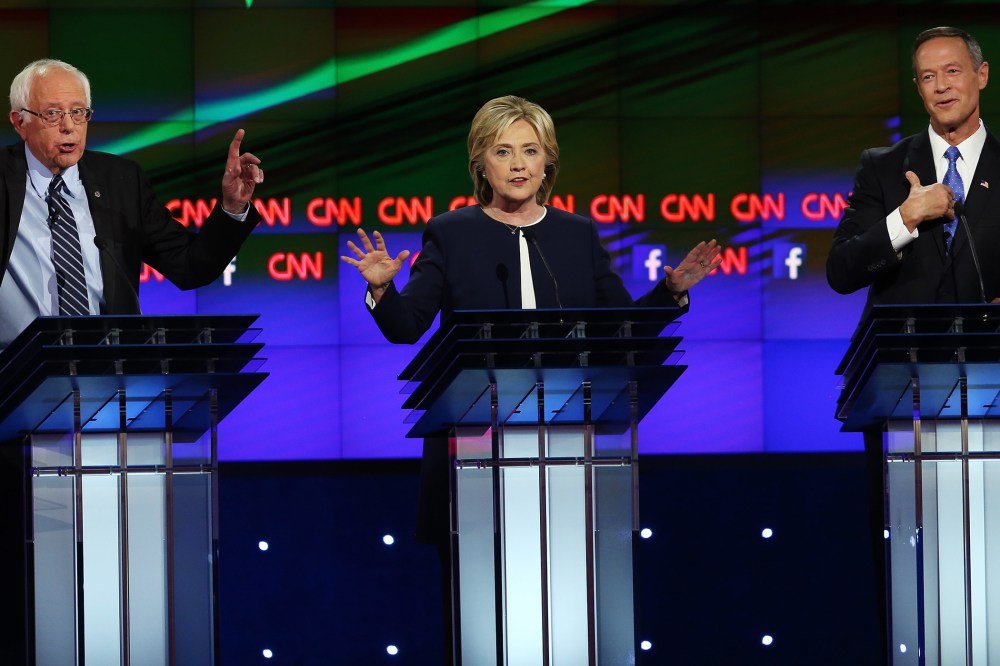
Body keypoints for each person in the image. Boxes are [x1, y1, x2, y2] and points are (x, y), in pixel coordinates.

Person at [341, 94, 722, 662]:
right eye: (502, 151)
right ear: (481, 164)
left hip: (569, 451)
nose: (518, 164)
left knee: (566, 613)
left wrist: (670, 294)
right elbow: (407, 326)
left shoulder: (577, 235)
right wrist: (380, 289)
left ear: (548, 163)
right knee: (481, 616)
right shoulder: (450, 232)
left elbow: (621, 329)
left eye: (530, 150)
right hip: (473, 451)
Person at [0, 58, 264, 661]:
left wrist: (231, 210)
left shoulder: (119, 181)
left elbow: (191, 265)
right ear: (19, 122)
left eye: (79, 113)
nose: (69, 127)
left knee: (109, 556)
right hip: (11, 395)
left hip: (109, 397)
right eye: (53, 114)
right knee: (22, 564)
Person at [826, 26, 999, 664]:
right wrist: (906, 218)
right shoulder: (882, 167)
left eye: (953, 72)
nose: (941, 86)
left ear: (981, 76)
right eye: (927, 77)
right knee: (911, 562)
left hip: (993, 389)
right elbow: (841, 271)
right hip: (903, 392)